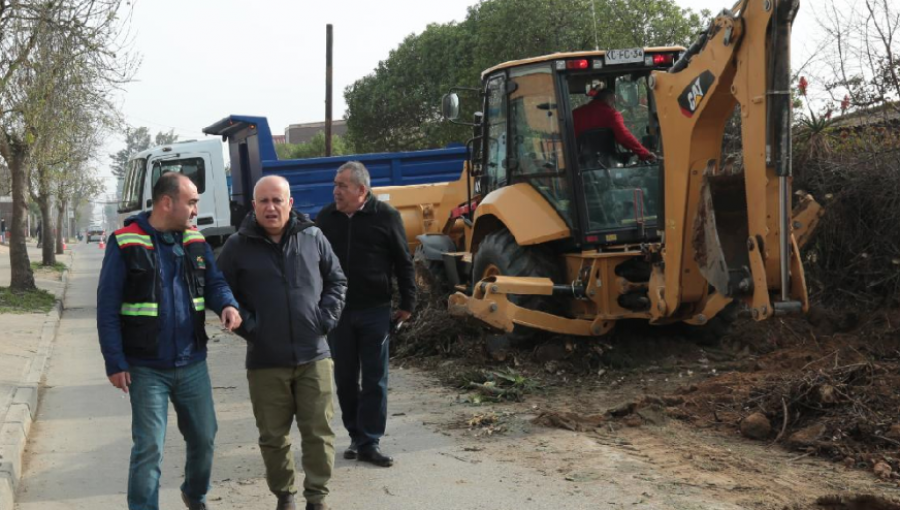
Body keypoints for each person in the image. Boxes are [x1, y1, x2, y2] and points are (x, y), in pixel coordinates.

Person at [97, 172, 242, 510]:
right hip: (146, 368)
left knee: (204, 439)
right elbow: (107, 309)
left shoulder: (195, 240)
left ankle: (195, 493)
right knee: (149, 449)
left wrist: (228, 305)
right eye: (191, 202)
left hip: (192, 363)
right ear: (167, 202)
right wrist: (114, 361)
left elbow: (215, 283)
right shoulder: (126, 242)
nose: (195, 210)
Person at [218, 176, 346, 510]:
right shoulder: (237, 246)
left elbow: (337, 280)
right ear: (254, 206)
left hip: (313, 355)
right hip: (265, 360)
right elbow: (221, 293)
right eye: (264, 201)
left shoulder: (313, 236)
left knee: (318, 433)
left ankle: (317, 497)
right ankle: (284, 495)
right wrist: (252, 328)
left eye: (278, 200)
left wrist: (326, 319)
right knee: (273, 438)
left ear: (290, 203)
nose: (271, 207)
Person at [317, 161, 416, 468]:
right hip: (338, 313)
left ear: (361, 190)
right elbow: (313, 262)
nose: (336, 191)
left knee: (374, 379)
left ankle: (370, 441)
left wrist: (408, 302)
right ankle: (355, 435)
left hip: (375, 310)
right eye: (335, 184)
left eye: (342, 186)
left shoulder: (386, 217)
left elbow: (403, 261)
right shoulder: (326, 218)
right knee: (345, 378)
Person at [572, 87, 656, 162]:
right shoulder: (611, 114)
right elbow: (624, 137)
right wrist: (644, 153)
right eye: (613, 102)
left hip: (578, 164)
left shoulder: (575, 114)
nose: (613, 105)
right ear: (609, 99)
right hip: (605, 164)